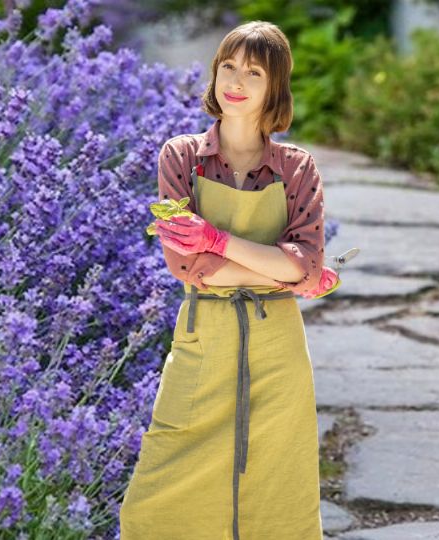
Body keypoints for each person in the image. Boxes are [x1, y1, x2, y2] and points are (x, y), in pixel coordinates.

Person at [119, 21, 332, 540]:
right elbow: (186, 267)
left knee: (277, 490)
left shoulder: (297, 168)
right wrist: (280, 273)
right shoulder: (181, 158)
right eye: (227, 66)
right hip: (202, 338)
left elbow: (305, 262)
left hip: (277, 351)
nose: (235, 80)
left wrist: (216, 241)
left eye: (253, 72)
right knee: (157, 494)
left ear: (274, 89)